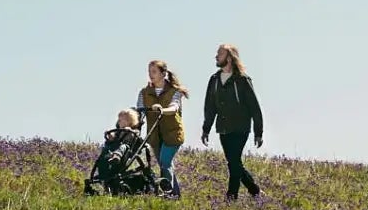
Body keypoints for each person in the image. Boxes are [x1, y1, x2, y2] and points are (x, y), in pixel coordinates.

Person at [200, 43, 264, 200]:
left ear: (229, 58)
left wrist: (258, 132)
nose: (216, 57)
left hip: (240, 128)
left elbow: (254, 107)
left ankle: (231, 197)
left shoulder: (242, 79)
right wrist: (206, 129)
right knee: (233, 163)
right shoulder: (214, 80)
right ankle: (255, 191)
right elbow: (210, 107)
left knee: (234, 162)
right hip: (223, 128)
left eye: (220, 54)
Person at [136, 59, 188, 198]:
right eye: (149, 71)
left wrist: (161, 110)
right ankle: (176, 195)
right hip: (154, 135)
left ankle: (167, 193)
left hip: (173, 134)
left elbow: (174, 107)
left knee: (165, 162)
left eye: (154, 72)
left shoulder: (174, 92)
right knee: (165, 166)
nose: (150, 74)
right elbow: (139, 111)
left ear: (163, 74)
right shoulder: (144, 93)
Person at [84, 108, 160, 196]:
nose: (118, 121)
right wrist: (110, 135)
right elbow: (112, 138)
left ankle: (117, 155)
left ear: (128, 121)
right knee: (106, 149)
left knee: (123, 146)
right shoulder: (118, 132)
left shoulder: (133, 132)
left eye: (120, 120)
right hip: (112, 152)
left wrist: (128, 131)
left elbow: (134, 140)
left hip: (125, 152)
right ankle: (105, 168)